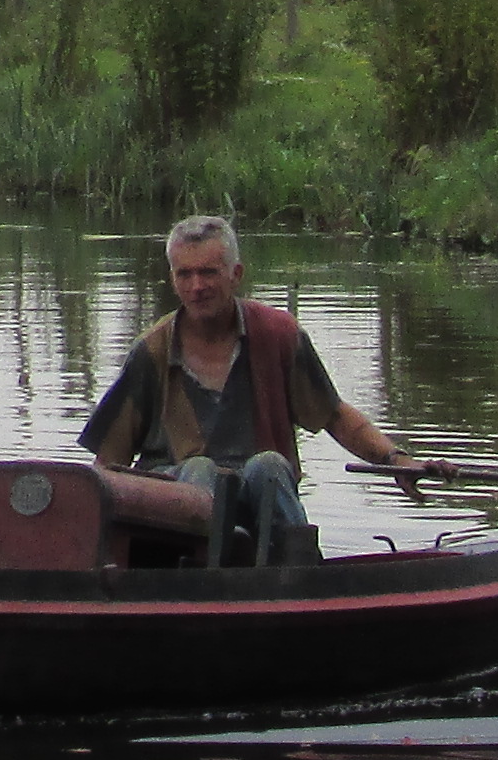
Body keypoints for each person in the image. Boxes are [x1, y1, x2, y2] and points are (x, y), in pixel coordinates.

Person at [76, 214, 414, 565]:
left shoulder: (279, 336)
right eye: (185, 274)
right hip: (176, 525)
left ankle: (301, 574)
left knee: (269, 466)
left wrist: (394, 459)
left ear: (235, 274)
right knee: (199, 471)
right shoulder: (150, 352)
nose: (197, 287)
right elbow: (108, 466)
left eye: (208, 273)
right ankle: (200, 577)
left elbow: (334, 415)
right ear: (172, 279)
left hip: (260, 502)